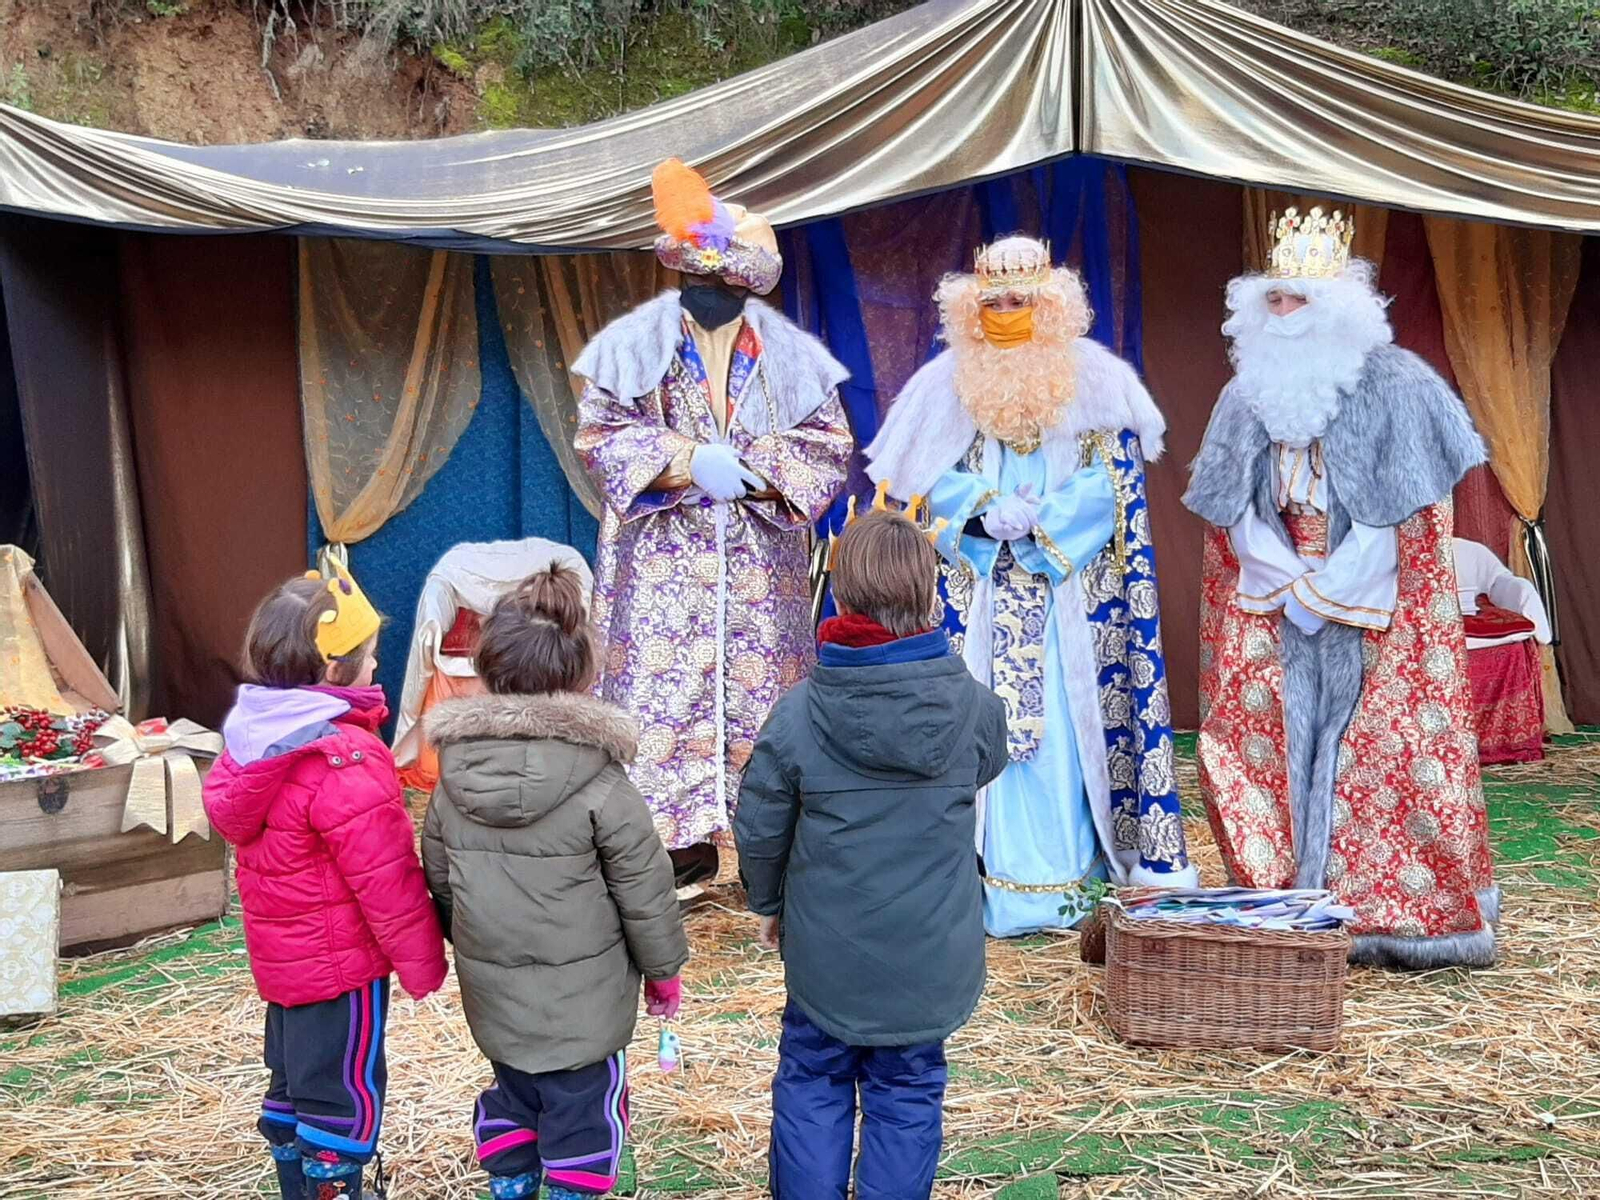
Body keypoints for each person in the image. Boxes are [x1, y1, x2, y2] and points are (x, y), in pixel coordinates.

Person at [1184, 206, 1498, 968]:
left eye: (1299, 299)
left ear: (1339, 308)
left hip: (1373, 592)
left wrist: (1334, 586)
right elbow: (1232, 510)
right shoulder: (1246, 394)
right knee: (1254, 734)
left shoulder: (1400, 384)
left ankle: (1391, 916)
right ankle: (1281, 902)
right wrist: (1284, 577)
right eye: (1273, 298)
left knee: (1387, 747)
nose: (1284, 312)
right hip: (1274, 588)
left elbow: (1411, 513)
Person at [864, 235, 1197, 939]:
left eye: (1021, 302)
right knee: (979, 731)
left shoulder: (1099, 382)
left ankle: (1072, 885)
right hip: (979, 596)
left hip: (1071, 604)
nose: (1007, 315)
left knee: (1068, 737)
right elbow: (925, 482)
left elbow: (1116, 488)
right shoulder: (945, 385)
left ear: (1052, 307)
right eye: (994, 304)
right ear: (970, 309)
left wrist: (1047, 521)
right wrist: (980, 508)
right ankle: (983, 882)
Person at [573, 158, 852, 888]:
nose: (710, 298)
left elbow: (828, 444)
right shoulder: (633, 345)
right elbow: (599, 434)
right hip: (662, 567)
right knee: (660, 700)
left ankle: (767, 852)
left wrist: (753, 471)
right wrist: (686, 460)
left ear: (749, 288)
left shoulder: (792, 357)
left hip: (759, 572)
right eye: (697, 283)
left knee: (766, 710)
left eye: (725, 287)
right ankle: (670, 849)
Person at [735, 510, 1009, 1200]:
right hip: (930, 957)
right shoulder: (978, 709)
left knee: (813, 1078)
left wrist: (767, 902)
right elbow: (988, 764)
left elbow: (759, 826)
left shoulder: (798, 713)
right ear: (927, 593)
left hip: (826, 956)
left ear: (843, 593)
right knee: (908, 1091)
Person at [422, 563, 689, 1200]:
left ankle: (511, 1180)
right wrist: (664, 970)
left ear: (488, 668)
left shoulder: (452, 781)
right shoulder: (603, 782)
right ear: (580, 672)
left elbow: (441, 880)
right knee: (584, 1121)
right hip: (586, 1013)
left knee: (514, 1097)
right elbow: (645, 890)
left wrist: (474, 940)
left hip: (497, 1001)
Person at [203, 566, 447, 1200]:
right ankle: (332, 1189)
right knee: (342, 1098)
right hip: (343, 970)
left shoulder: (249, 739)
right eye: (369, 656)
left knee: (294, 1082)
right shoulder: (344, 756)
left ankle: (298, 1186)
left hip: (285, 969)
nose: (377, 666)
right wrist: (422, 963)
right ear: (335, 671)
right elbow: (386, 878)